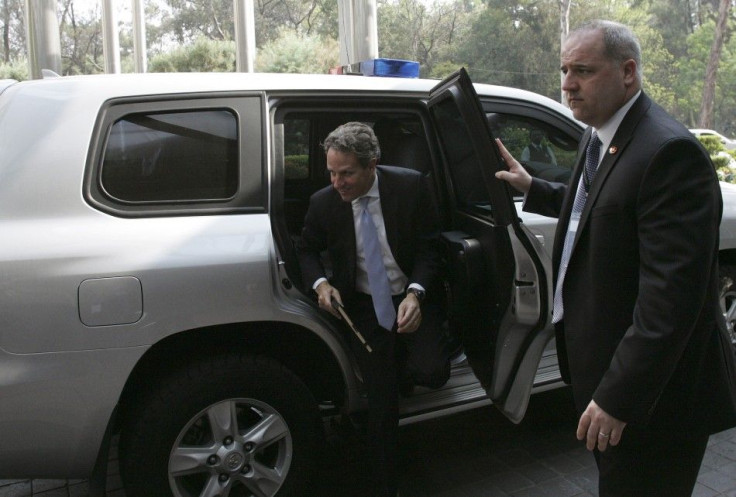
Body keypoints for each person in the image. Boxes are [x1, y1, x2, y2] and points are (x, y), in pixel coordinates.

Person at [495, 20, 736, 497]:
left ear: (628, 72)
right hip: (616, 381)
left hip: (656, 404)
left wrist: (616, 398)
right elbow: (603, 206)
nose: (567, 84)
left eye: (582, 70)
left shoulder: (670, 154)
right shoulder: (602, 131)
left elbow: (668, 305)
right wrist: (534, 188)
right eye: (564, 69)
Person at [297, 121, 450, 497]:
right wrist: (321, 283)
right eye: (332, 173)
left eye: (346, 173)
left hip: (409, 297)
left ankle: (400, 366)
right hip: (363, 306)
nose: (337, 183)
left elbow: (432, 249)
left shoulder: (410, 186)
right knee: (381, 407)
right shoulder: (323, 203)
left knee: (435, 372)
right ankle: (386, 485)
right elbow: (305, 249)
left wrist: (416, 294)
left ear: (372, 165)